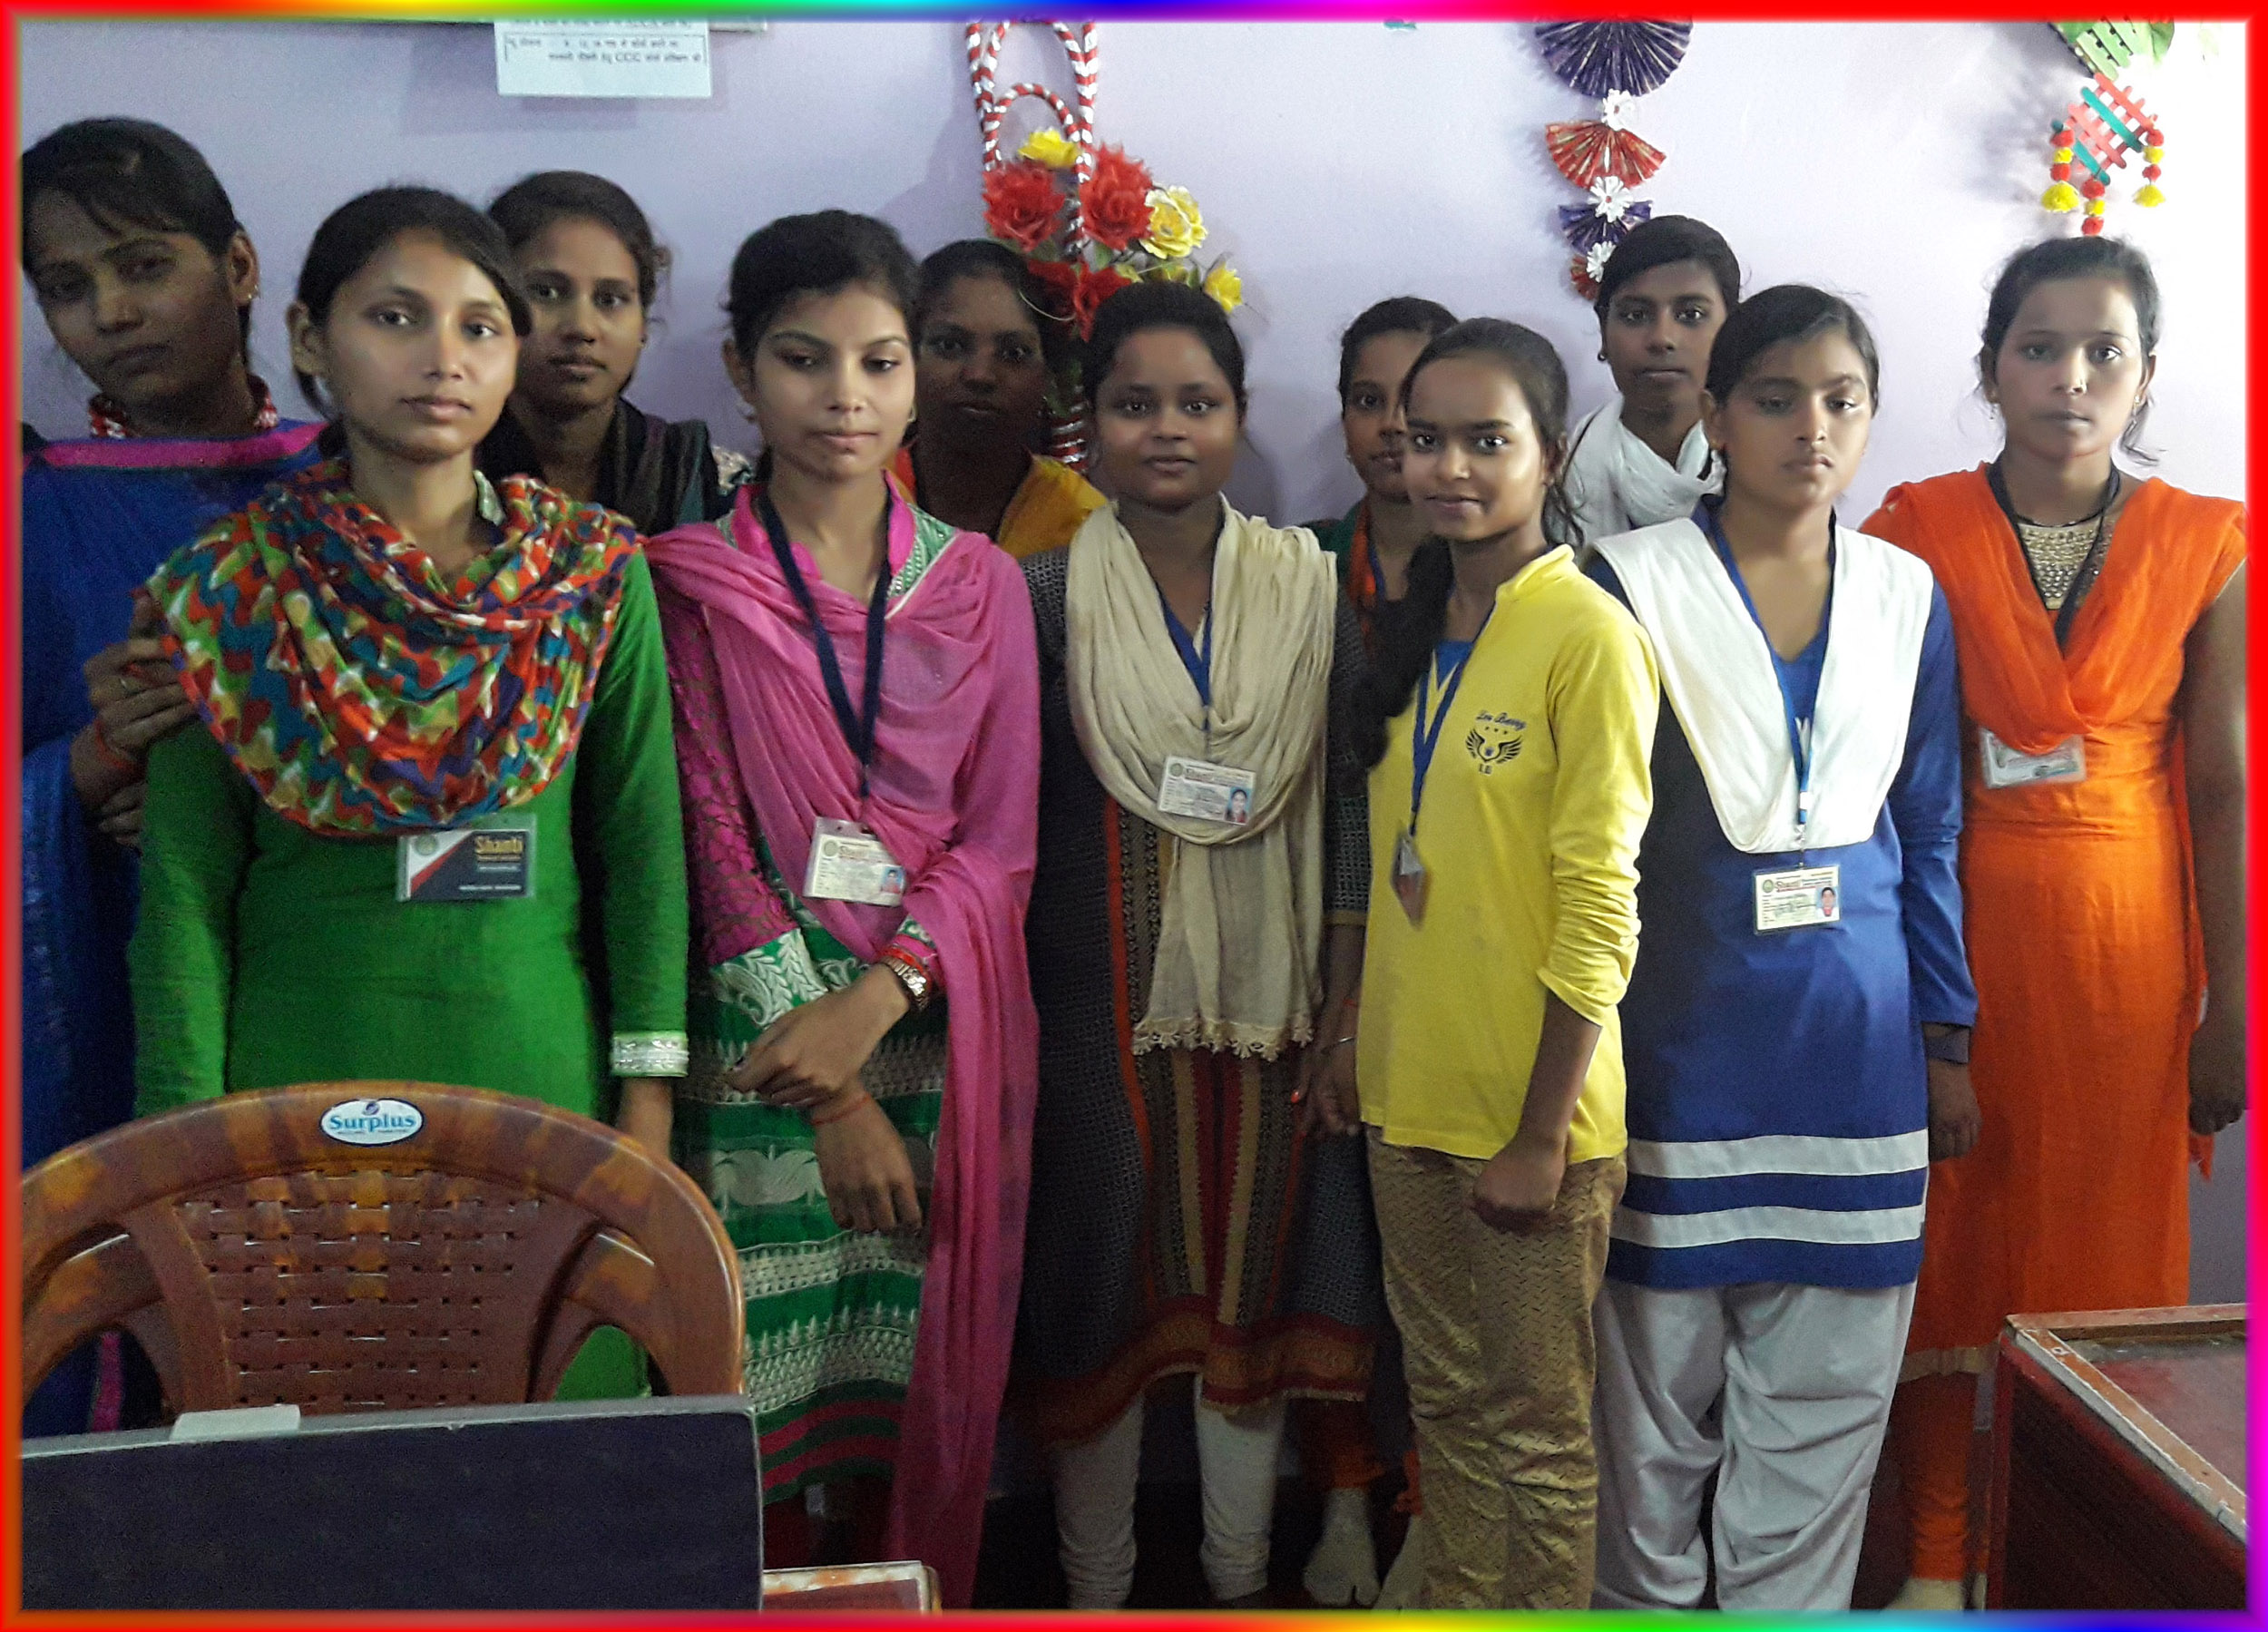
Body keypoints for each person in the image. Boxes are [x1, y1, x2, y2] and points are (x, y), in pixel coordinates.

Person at [129, 186, 687, 1402]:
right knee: (319, 1459)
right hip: (287, 1107)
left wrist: (647, 1110)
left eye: (480, 326)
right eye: (396, 317)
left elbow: (644, 852)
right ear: (310, 337)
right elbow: (181, 899)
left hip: (542, 1095)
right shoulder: (227, 592)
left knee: (548, 1452)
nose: (444, 357)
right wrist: (181, 1154)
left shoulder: (590, 578)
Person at [643, 210, 1039, 1608]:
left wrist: (876, 1006)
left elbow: (999, 841)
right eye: (804, 360)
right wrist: (827, 1081)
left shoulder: (982, 588)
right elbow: (706, 840)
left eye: (880, 361)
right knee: (749, 1411)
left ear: (915, 372)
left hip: (934, 1045)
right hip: (759, 1055)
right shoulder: (684, 585)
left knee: (903, 1399)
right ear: (743, 373)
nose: (846, 397)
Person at [1866, 236, 2246, 1611]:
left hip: (2130, 961)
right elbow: (1881, 770)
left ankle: (2071, 1556)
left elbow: (2223, 779)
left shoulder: (2209, 541)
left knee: (2104, 1257)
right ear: (1990, 368)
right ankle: (1932, 1555)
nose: (2070, 376)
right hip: (1955, 939)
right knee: (1948, 1241)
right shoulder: (1912, 530)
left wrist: (2235, 1004)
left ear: (2144, 376)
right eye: (2038, 347)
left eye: (2103, 352)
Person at [1583, 286, 1976, 1611]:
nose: (1812, 427)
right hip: (1672, 1052)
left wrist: (1947, 1034)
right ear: (1714, 415)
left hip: (1854, 1061)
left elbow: (1930, 827)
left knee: (1823, 1413)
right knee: (1645, 1418)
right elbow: (1585, 847)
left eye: (1841, 400)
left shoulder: (1905, 594)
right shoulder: (1623, 582)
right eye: (1774, 398)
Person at [1018, 280, 1378, 1609]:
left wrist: (1346, 1008)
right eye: (1134, 403)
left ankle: (1235, 1583)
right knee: (1096, 1288)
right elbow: (1009, 812)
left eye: (1196, 402)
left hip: (1275, 1012)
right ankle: (1094, 1589)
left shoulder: (1308, 588)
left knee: (1255, 1287)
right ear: (1090, 423)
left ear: (1236, 416)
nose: (1166, 428)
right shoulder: (1039, 594)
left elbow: (1352, 804)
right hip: (1095, 1010)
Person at [1308, 318, 1656, 1610]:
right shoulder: (1411, 633)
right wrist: (1357, 1041)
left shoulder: (1587, 633)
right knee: (1445, 1408)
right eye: (1424, 439)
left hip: (1532, 1116)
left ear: (1549, 453)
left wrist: (1541, 1132)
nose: (1448, 467)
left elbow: (1600, 906)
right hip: (1409, 1102)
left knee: (1538, 1432)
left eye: (1485, 440)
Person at [18, 117, 322, 1438]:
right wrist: (83, 774)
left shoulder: (366, 476)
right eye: (68, 287)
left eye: (144, 265)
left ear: (238, 265)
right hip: (111, 988)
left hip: (337, 978)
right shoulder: (34, 511)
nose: (112, 313)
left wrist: (239, 798)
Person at [477, 171, 747, 535]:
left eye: (610, 300)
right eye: (545, 292)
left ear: (642, 325)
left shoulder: (704, 482)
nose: (582, 328)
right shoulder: (438, 471)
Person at [893, 238, 1103, 556]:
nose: (980, 375)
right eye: (950, 345)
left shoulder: (1083, 526)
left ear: (1047, 374)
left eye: (1013, 353)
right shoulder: (855, 500)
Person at [1564, 216, 1740, 550]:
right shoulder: (1553, 477)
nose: (1662, 338)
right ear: (1603, 331)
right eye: (1635, 315)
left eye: (1691, 315)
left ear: (1732, 329)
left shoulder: (1766, 467)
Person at [1309, 296, 1458, 645]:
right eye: (1369, 401)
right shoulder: (1301, 561)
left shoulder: (1497, 573)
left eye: (1414, 400)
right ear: (1344, 419)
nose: (1393, 424)